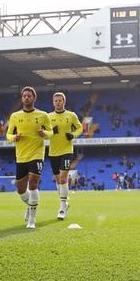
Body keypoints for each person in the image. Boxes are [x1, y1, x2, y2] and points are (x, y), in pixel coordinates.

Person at [6, 86, 52, 229]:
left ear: (34, 98)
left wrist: (44, 134)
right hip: (21, 156)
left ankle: (32, 220)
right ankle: (30, 204)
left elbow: (51, 132)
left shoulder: (43, 115)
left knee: (33, 183)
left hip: (37, 154)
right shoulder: (15, 116)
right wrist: (15, 137)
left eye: (29, 96)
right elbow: (8, 136)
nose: (27, 98)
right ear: (22, 98)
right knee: (20, 189)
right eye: (24, 96)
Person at [48, 92, 83, 220]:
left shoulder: (71, 115)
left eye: (60, 100)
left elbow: (80, 128)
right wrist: (51, 132)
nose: (58, 102)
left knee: (63, 179)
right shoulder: (48, 117)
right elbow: (44, 133)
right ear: (53, 102)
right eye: (55, 100)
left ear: (64, 102)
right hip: (53, 152)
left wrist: (73, 135)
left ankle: (62, 207)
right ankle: (64, 203)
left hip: (67, 151)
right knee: (58, 180)